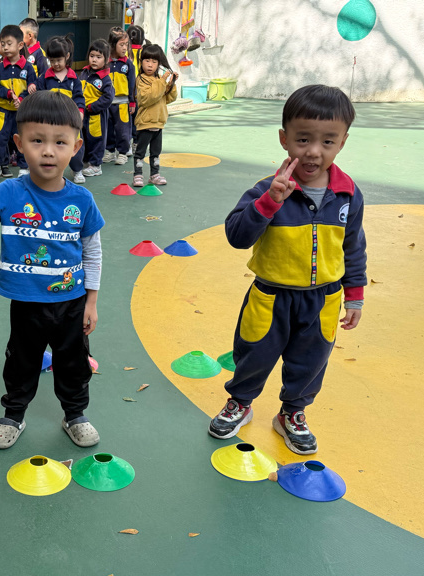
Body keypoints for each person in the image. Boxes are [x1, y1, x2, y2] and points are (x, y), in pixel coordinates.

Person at [209, 84, 366, 455]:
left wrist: (355, 296)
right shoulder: (268, 190)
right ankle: (240, 402)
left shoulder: (348, 194)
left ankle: (292, 413)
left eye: (328, 141)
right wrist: (269, 203)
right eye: (303, 139)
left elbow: (353, 247)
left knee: (311, 362)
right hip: (271, 297)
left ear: (342, 143)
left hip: (323, 300)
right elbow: (237, 236)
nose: (313, 151)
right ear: (284, 139)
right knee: (254, 354)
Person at [0, 91, 105, 450]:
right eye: (37, 141)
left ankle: (75, 414)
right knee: (21, 363)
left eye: (60, 142)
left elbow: (92, 252)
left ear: (76, 146)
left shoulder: (82, 200)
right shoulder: (10, 191)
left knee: (74, 364)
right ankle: (14, 415)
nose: (48, 151)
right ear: (20, 144)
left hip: (72, 302)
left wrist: (91, 301)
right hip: (26, 303)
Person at [0, 24, 38, 182]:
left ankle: (24, 167)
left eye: (9, 44)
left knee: (22, 139)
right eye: (2, 44)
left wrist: (23, 98)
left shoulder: (28, 67)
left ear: (20, 45)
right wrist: (9, 94)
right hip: (2, 112)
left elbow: (33, 85)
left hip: (21, 113)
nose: (5, 47)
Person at [37, 35, 86, 184]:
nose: (55, 64)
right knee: (52, 147)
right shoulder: (44, 78)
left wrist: (80, 112)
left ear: (67, 56)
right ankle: (53, 172)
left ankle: (77, 170)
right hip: (51, 121)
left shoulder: (74, 78)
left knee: (74, 145)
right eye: (52, 61)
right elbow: (39, 96)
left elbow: (79, 97)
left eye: (59, 60)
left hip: (70, 120)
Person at [133, 43, 176, 187]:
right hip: (145, 123)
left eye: (154, 61)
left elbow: (167, 99)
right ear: (141, 62)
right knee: (140, 152)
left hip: (158, 122)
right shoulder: (141, 79)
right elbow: (148, 98)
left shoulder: (158, 80)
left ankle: (154, 175)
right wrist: (162, 82)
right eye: (147, 61)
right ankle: (137, 175)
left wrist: (171, 84)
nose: (150, 65)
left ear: (159, 64)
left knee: (156, 152)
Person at [80, 40, 114, 177]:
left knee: (96, 138)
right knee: (84, 137)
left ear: (106, 59)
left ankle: (96, 165)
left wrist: (93, 106)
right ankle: (86, 160)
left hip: (96, 115)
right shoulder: (84, 72)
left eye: (98, 57)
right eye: (92, 56)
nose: (94, 60)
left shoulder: (105, 79)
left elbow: (108, 97)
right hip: (83, 113)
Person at [104, 27, 135, 165]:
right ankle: (110, 151)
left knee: (123, 129)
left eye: (126, 44)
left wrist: (132, 102)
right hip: (107, 103)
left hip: (123, 103)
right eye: (121, 44)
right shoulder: (105, 63)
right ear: (112, 45)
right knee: (108, 129)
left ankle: (123, 153)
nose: (125, 48)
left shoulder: (128, 64)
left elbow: (132, 84)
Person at [127, 24, 145, 153]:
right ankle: (135, 142)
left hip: (128, 90)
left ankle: (128, 143)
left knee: (127, 118)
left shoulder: (124, 53)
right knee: (137, 119)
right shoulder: (144, 52)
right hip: (139, 90)